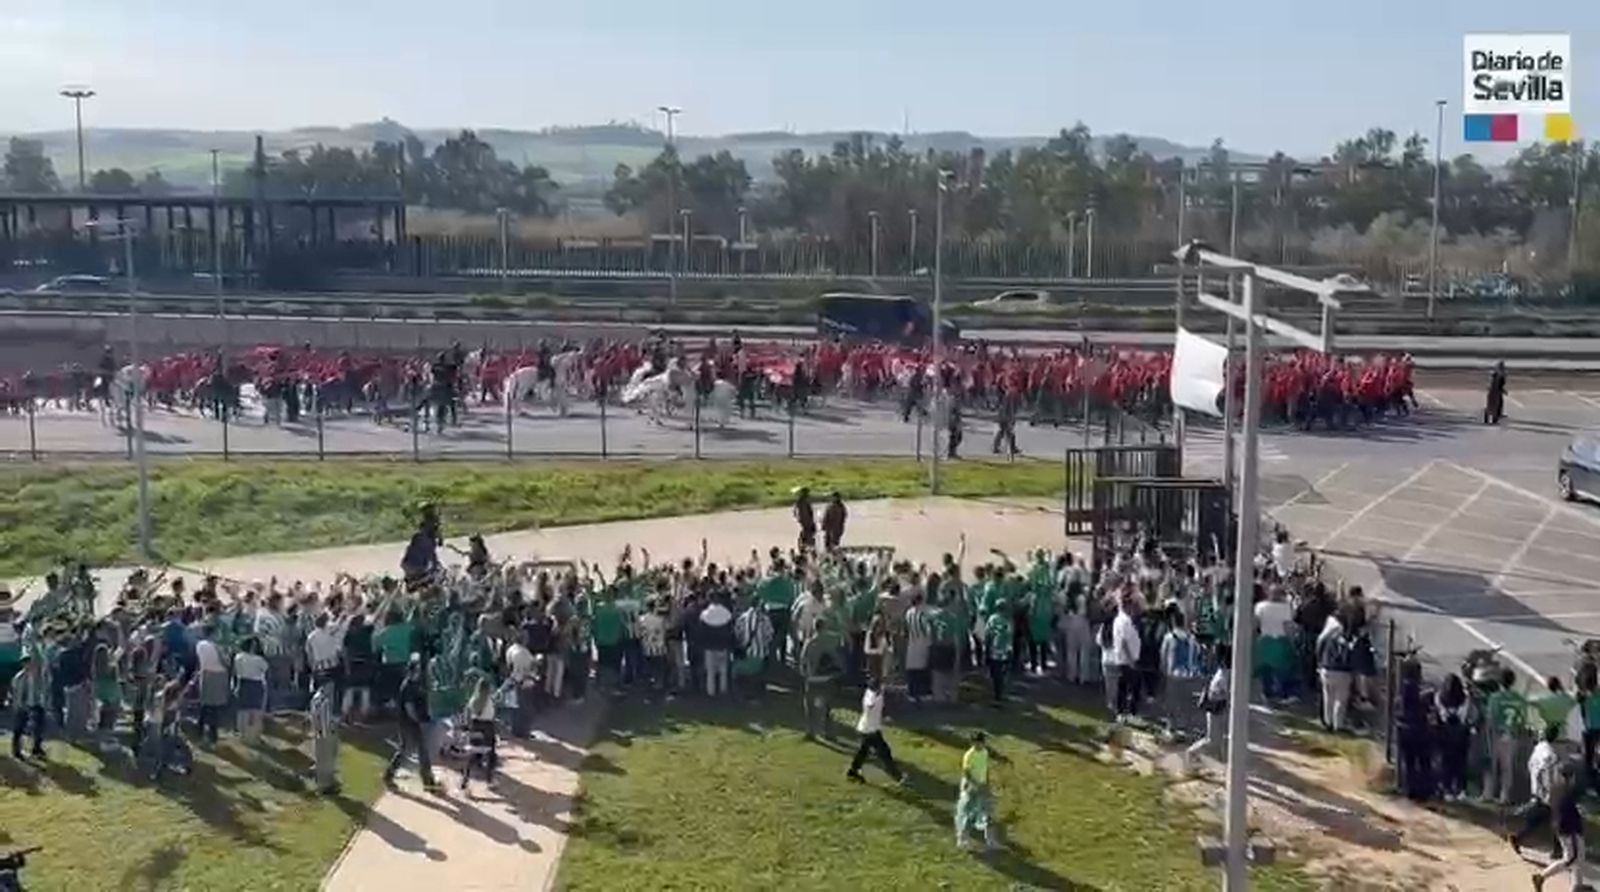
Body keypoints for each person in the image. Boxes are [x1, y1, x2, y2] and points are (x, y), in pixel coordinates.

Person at [385, 654, 439, 790]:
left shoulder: (417, 684)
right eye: (418, 669)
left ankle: (427, 780)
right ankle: (389, 774)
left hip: (414, 722)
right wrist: (419, 721)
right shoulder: (408, 686)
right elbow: (409, 709)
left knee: (421, 751)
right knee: (407, 750)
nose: (420, 671)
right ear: (413, 670)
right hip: (408, 723)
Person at [1512, 722, 1564, 863]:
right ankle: (1557, 849)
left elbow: (1530, 765)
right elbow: (1545, 771)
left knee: (1542, 819)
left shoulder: (1538, 748)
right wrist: (1548, 790)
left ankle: (1519, 837)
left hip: (1537, 789)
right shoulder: (1550, 754)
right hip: (1547, 791)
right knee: (1555, 818)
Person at [1534, 762, 1587, 891]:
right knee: (1571, 859)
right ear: (1570, 777)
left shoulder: (1555, 788)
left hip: (1560, 827)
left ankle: (1577, 886)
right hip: (1569, 829)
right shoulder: (1567, 790)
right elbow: (1567, 811)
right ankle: (1542, 877)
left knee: (1578, 859)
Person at [847, 678, 903, 784]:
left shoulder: (873, 691)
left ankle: (853, 771)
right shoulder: (871, 696)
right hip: (870, 730)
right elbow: (870, 705)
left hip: (867, 728)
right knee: (884, 752)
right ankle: (897, 776)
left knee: (863, 752)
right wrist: (876, 697)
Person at [1484, 668, 1527, 805]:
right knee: (1507, 768)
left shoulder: (1495, 698)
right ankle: (1504, 795)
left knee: (1491, 765)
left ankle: (1488, 793)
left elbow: (1491, 719)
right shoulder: (1519, 698)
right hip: (1512, 735)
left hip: (1497, 735)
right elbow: (1522, 719)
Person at [1185, 646, 1231, 773]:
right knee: (1212, 740)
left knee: (1219, 739)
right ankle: (1191, 754)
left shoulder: (1224, 672)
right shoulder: (1223, 675)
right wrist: (1227, 696)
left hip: (1217, 708)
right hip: (1214, 709)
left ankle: (1223, 765)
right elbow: (1216, 694)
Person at [799, 617, 843, 741]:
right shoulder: (830, 641)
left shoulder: (809, 643)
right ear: (824, 627)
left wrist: (804, 673)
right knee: (827, 705)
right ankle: (828, 732)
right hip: (826, 678)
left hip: (812, 678)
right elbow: (837, 659)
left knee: (810, 705)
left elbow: (803, 660)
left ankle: (810, 731)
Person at [955, 731, 999, 852]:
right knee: (970, 815)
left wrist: (987, 784)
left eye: (981, 743)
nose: (979, 746)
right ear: (972, 743)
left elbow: (985, 769)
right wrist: (975, 785)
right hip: (972, 788)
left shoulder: (985, 752)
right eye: (977, 743)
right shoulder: (969, 755)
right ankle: (962, 840)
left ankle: (991, 840)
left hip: (983, 786)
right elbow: (966, 773)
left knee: (988, 813)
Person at [460, 676, 498, 793]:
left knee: (473, 755)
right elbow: (492, 716)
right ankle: (489, 779)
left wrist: (467, 729)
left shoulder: (473, 700)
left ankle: (465, 780)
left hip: (475, 728)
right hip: (487, 729)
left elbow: (467, 715)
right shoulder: (489, 701)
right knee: (491, 755)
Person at [10, 654, 48, 760]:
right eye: (26, 663)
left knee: (39, 727)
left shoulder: (38, 676)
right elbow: (16, 693)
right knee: (19, 728)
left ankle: (36, 748)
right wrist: (19, 705)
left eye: (30, 662)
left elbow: (43, 689)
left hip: (36, 704)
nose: (29, 665)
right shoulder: (19, 677)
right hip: (23, 705)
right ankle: (16, 750)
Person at [234, 637, 269, 745]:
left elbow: (236, 671)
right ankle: (253, 736)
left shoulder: (238, 657)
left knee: (243, 709)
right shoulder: (259, 660)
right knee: (255, 711)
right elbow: (266, 668)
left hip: (242, 682)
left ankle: (243, 734)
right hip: (256, 684)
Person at [309, 676, 340, 795]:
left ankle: (323, 784)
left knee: (321, 760)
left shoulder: (315, 699)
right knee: (327, 761)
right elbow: (325, 719)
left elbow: (313, 717)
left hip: (318, 733)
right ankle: (327, 786)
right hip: (325, 733)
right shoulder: (325, 700)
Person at [1484, 360, 1508, 425]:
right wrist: (1502, 390)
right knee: (1494, 405)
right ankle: (1492, 418)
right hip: (1495, 392)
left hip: (1495, 391)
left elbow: (1497, 384)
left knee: (1495, 404)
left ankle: (1492, 417)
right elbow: (1497, 385)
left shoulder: (1498, 374)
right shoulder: (1498, 375)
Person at [793, 487, 817, 552]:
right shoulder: (803, 501)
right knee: (809, 532)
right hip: (806, 520)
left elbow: (795, 511)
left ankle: (805, 544)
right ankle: (807, 545)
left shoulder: (800, 501)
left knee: (808, 532)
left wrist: (797, 518)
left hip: (805, 520)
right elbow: (810, 512)